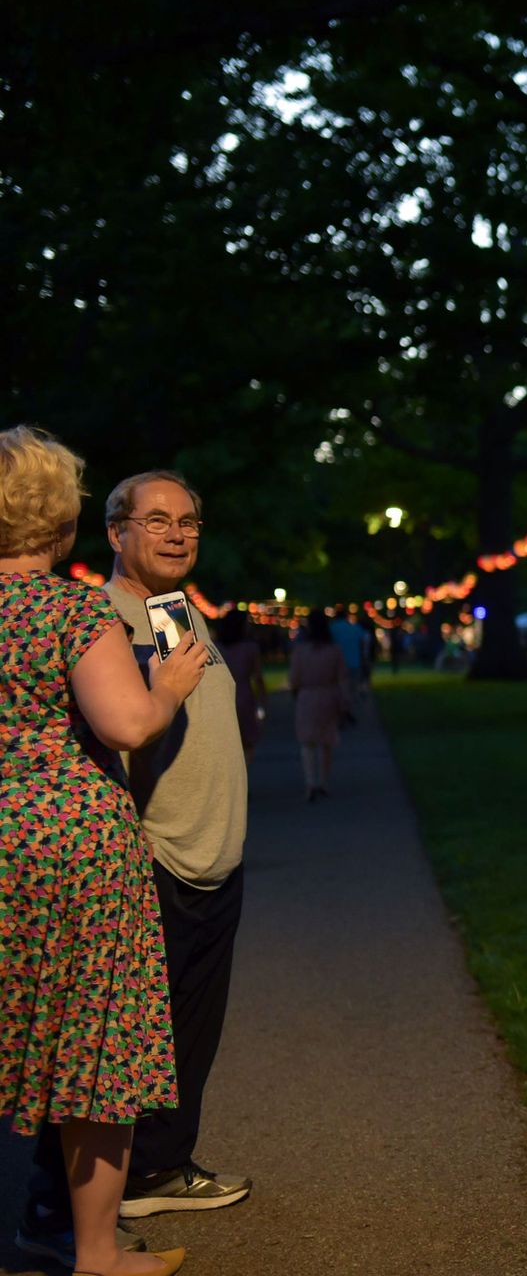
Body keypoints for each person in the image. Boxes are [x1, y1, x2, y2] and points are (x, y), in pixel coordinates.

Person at [22, 466, 256, 1257]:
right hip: (153, 855)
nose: (177, 532)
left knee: (189, 1031)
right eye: (156, 520)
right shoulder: (98, 615)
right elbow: (119, 725)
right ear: (114, 531)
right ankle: (76, 1210)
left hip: (215, 855)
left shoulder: (177, 611)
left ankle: (159, 1171)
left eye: (188, 519)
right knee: (109, 1046)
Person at [1, 428, 199, 1276]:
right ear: (61, 515)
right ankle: (96, 1254)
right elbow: (124, 725)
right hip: (71, 851)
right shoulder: (70, 609)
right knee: (95, 1045)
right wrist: (166, 690)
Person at [289, 611, 348, 800]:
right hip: (328, 695)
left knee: (307, 743)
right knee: (326, 742)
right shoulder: (334, 650)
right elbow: (342, 677)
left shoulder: (301, 651)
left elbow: (294, 679)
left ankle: (310, 782)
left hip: (307, 696)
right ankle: (323, 781)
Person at [213, 610, 266, 765]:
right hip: (244, 697)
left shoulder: (217, 647)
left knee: (226, 744)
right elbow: (257, 678)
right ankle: (244, 778)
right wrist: (262, 704)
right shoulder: (250, 648)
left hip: (222, 699)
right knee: (247, 742)